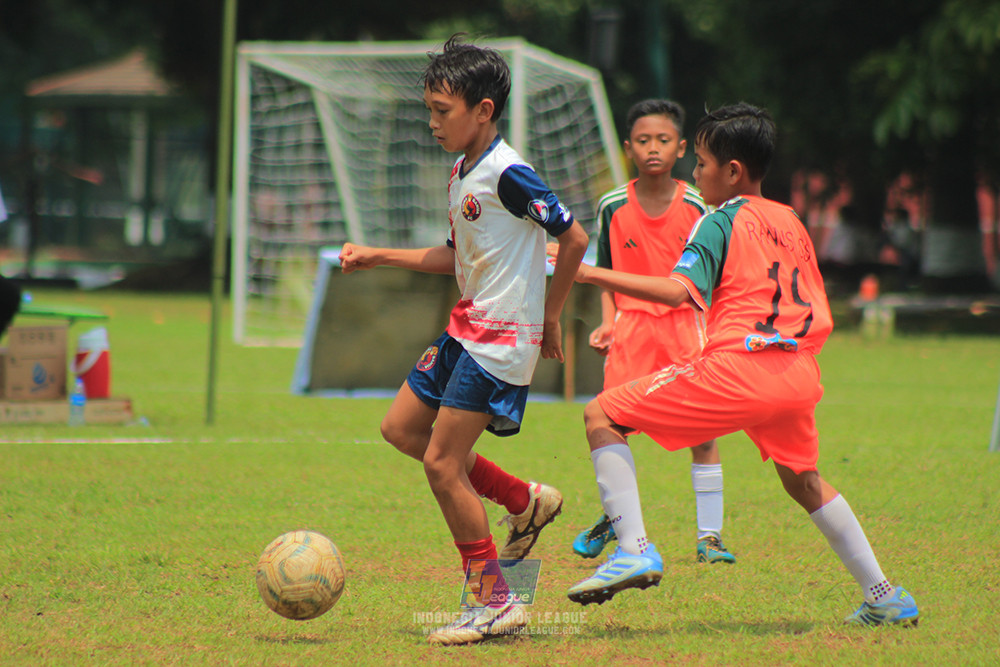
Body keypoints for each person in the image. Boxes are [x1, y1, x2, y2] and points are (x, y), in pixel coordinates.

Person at [563, 103, 918, 627]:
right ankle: (885, 595)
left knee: (602, 415)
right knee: (804, 481)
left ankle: (635, 549)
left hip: (740, 366)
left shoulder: (719, 220)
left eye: (702, 162)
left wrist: (589, 274)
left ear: (732, 171)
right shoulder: (791, 221)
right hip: (797, 373)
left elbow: (674, 292)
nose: (695, 173)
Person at [338, 34, 590, 645]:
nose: (432, 123)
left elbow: (575, 239)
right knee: (400, 428)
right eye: (429, 109)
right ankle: (521, 499)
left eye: (441, 111)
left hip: (501, 338)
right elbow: (456, 255)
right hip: (466, 326)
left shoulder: (510, 172)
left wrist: (552, 317)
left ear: (483, 110)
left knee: (442, 463)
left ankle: (494, 601)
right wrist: (378, 256)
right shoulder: (461, 171)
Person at [569, 99, 734, 565]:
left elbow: (713, 277)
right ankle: (614, 518)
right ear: (628, 148)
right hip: (633, 330)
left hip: (686, 329)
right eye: (643, 141)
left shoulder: (700, 205)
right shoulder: (612, 205)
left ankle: (710, 538)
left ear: (681, 147)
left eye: (663, 140)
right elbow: (604, 271)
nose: (653, 149)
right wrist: (608, 321)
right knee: (611, 425)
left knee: (704, 432)